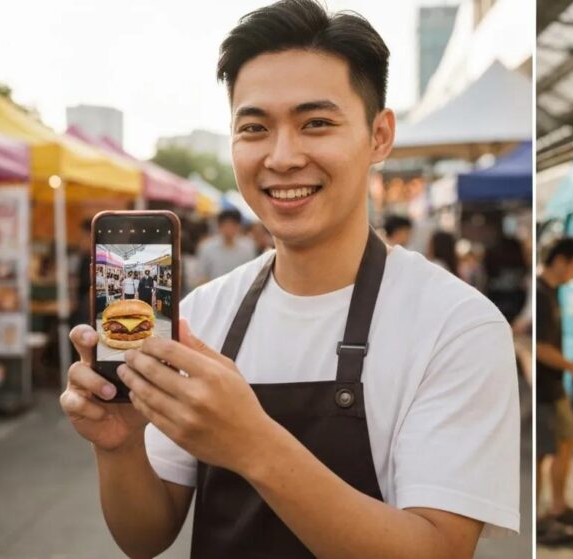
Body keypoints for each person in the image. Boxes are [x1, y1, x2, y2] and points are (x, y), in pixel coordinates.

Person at [60, 2, 520, 557]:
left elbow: (438, 549)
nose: (281, 157)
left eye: (316, 124)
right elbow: (144, 537)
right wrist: (120, 446)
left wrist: (252, 443)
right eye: (254, 128)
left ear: (379, 135)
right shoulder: (202, 315)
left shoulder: (457, 325)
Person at [535, 237, 573, 545]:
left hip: (552, 386)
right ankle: (538, 521)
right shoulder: (540, 294)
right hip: (543, 388)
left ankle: (558, 508)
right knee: (540, 455)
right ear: (560, 260)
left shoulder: (549, 293)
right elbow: (540, 348)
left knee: (564, 445)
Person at [196, 208, 256, 284]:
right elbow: (201, 275)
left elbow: (250, 273)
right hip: (214, 291)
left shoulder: (248, 247)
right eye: (226, 225)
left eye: (233, 225)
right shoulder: (207, 247)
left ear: (238, 226)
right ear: (219, 226)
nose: (229, 229)